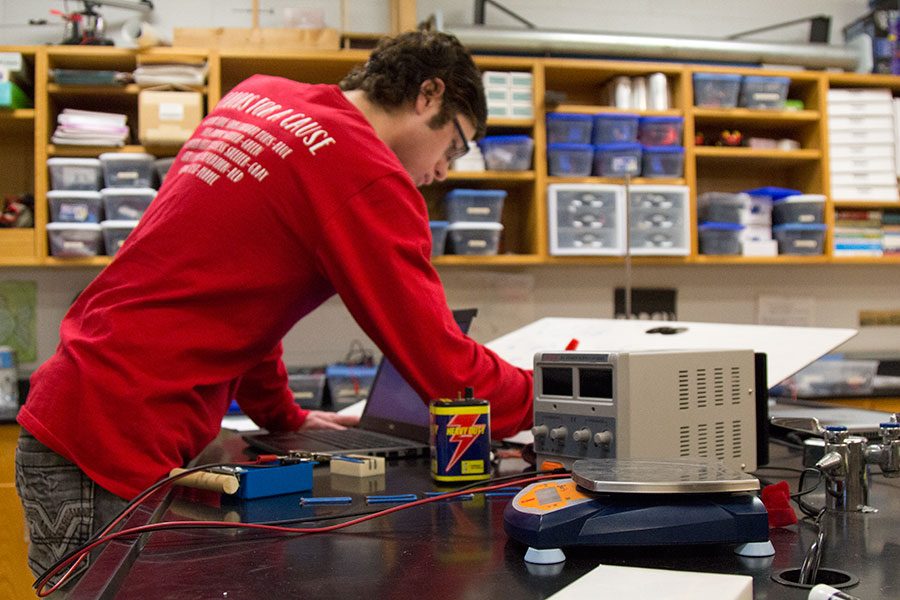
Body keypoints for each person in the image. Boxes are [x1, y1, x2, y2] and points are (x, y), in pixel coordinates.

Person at [15, 29, 533, 584]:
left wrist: (284, 417)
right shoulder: (364, 173)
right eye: (453, 146)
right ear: (428, 95)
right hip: (115, 439)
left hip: (77, 404)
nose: (441, 172)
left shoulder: (258, 98)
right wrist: (553, 402)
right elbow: (446, 371)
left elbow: (237, 299)